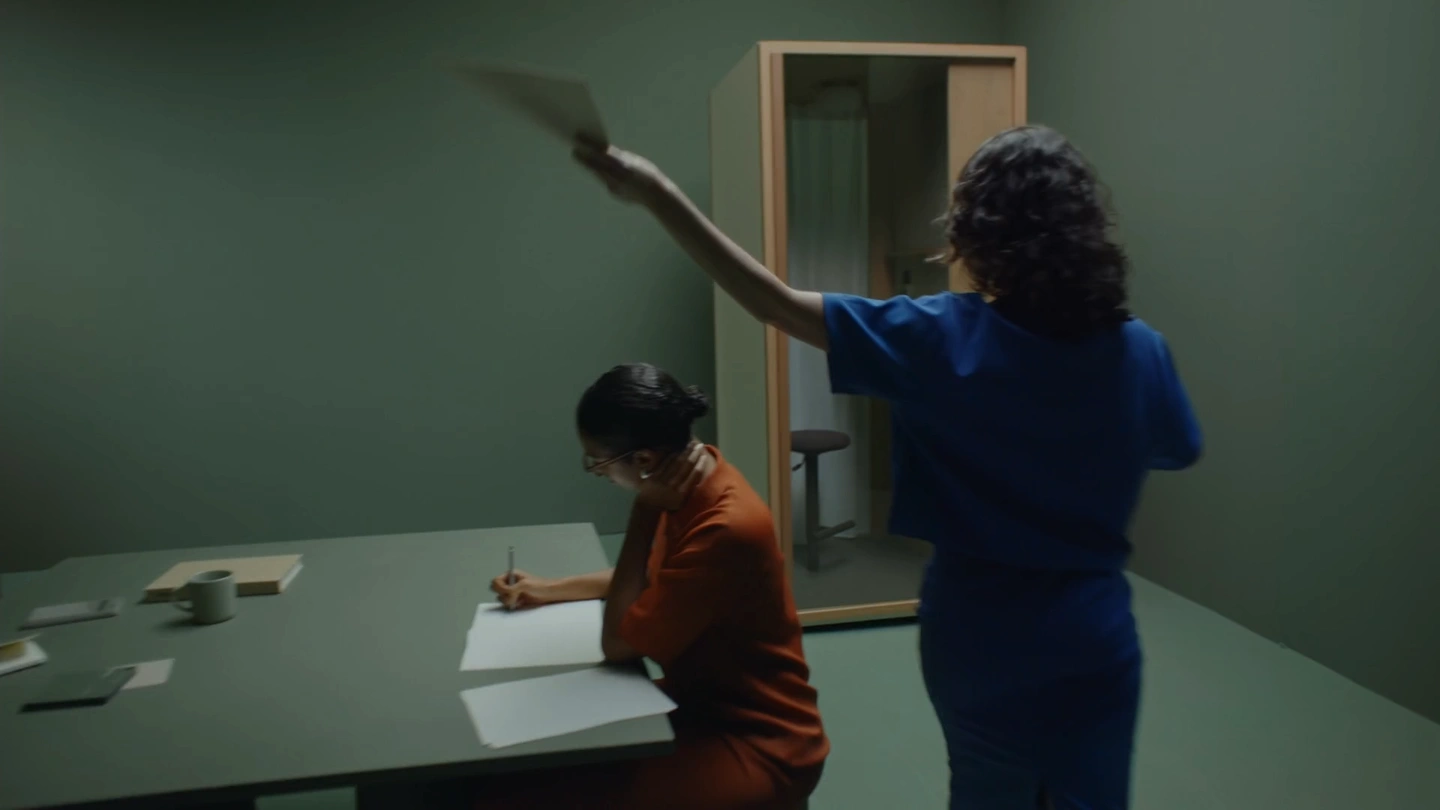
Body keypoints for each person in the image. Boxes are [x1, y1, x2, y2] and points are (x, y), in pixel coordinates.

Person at [573, 126, 1202, 809]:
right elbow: (1175, 447)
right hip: (1092, 629)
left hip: (978, 632)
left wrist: (659, 193)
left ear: (978, 234)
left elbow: (772, 301)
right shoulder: (1141, 350)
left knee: (988, 792)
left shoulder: (938, 337)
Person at [477, 362, 828, 810]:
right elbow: (659, 576)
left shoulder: (724, 525)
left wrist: (644, 512)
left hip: (758, 740)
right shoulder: (696, 479)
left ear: (644, 460)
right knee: (516, 777)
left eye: (598, 462)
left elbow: (618, 644)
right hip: (697, 702)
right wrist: (549, 588)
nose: (597, 472)